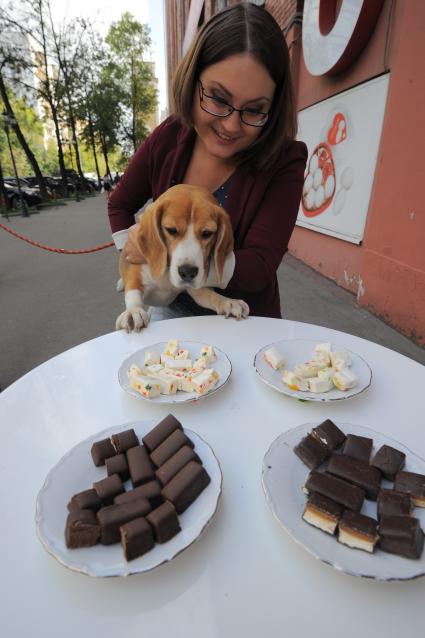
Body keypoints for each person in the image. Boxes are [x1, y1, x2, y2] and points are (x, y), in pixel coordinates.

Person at [108, 2, 307, 319]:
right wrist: (133, 250)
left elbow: (258, 268)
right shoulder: (169, 135)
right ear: (193, 79)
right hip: (169, 310)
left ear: (274, 107)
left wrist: (184, 265)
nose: (231, 125)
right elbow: (119, 204)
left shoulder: (285, 162)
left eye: (254, 109)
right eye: (218, 97)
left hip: (242, 318)